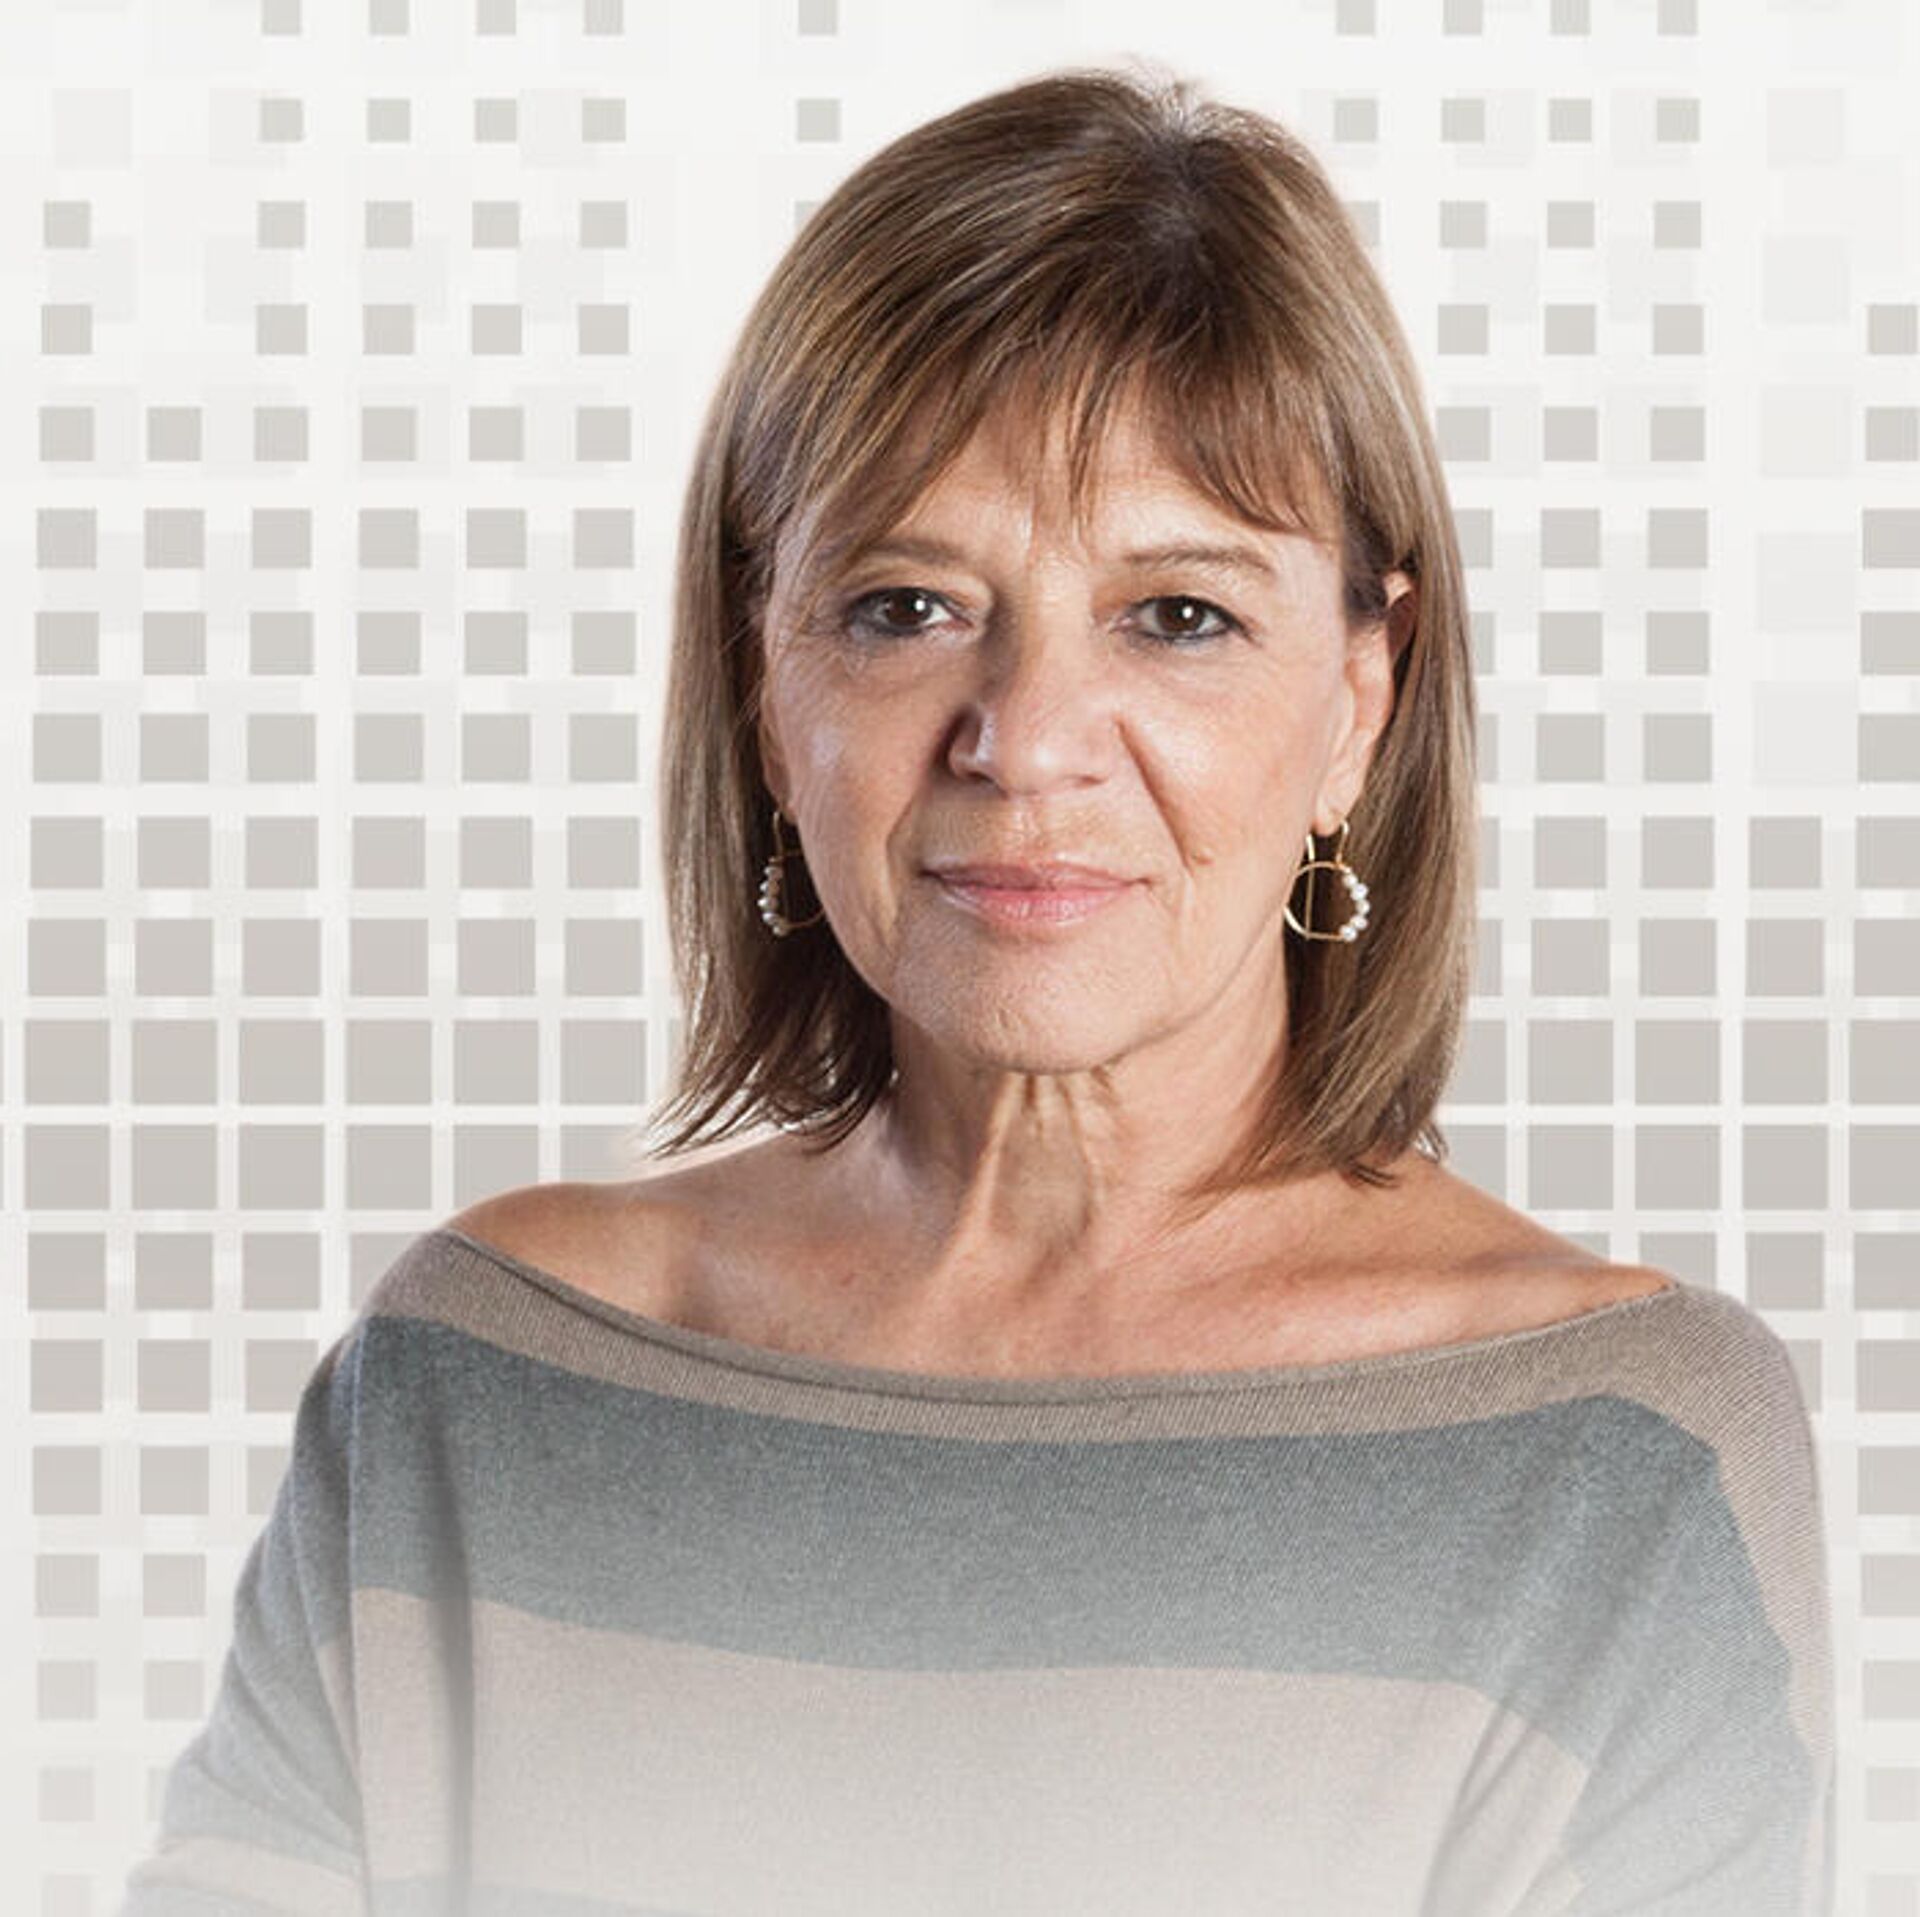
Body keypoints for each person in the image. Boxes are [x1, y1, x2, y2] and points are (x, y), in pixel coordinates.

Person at [122, 62, 1834, 1915]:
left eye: (1177, 615)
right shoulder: (475, 1386)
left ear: (1363, 695)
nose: (1024, 741)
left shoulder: (1617, 1458)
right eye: (906, 605)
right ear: (763, 683)